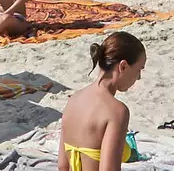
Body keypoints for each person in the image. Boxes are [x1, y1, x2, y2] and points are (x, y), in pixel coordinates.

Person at [60, 31, 146, 171]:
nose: (139, 78)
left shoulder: (73, 100)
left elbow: (62, 166)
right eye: (138, 70)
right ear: (123, 66)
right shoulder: (117, 111)